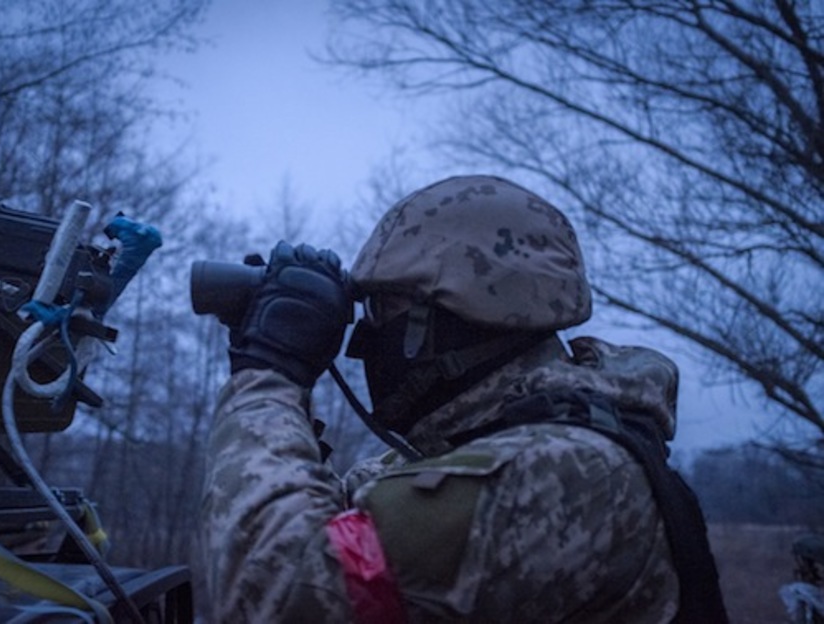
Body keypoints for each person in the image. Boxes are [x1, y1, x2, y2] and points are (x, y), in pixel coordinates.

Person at [199, 174, 727, 623]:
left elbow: (274, 593)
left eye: (382, 310)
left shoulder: (562, 470)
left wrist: (269, 375)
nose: (363, 341)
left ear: (454, 318)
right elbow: (339, 524)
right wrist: (285, 390)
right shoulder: (493, 446)